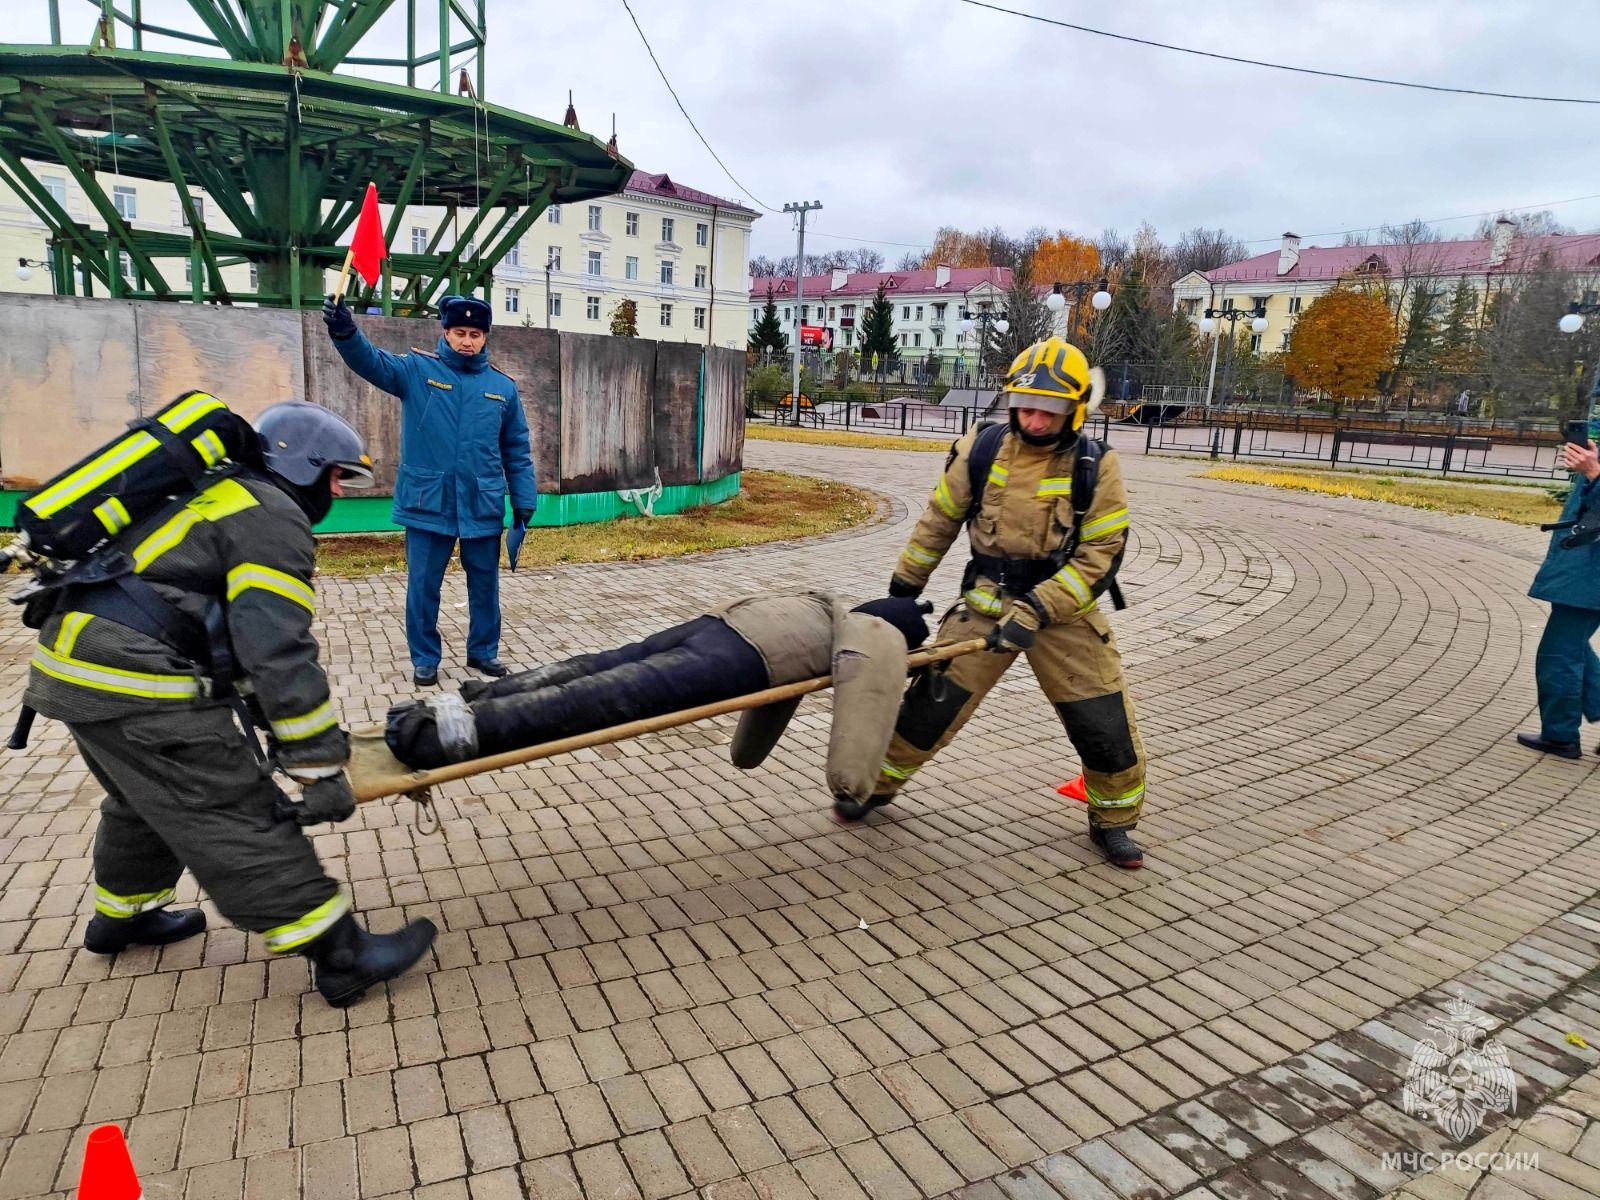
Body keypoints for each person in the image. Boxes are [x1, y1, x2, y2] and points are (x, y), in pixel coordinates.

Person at [23, 402, 437, 1006]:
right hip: (132, 679)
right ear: (306, 467)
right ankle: (341, 954)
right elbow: (278, 651)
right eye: (336, 476)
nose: (339, 489)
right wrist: (319, 766)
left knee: (144, 795)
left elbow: (237, 650)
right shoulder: (271, 517)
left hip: (74, 666)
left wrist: (286, 737)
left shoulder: (217, 493)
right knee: (231, 804)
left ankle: (125, 914)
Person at [872, 336, 1149, 868]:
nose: (1036, 419)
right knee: (927, 710)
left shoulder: (1097, 463)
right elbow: (939, 521)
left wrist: (1038, 611)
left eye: (1049, 410)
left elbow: (1101, 554)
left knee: (1104, 725)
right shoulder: (982, 447)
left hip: (1065, 614)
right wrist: (902, 592)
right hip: (986, 604)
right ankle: (874, 787)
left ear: (1075, 410)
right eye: (1026, 405)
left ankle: (1112, 821)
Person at [385, 592, 931, 768]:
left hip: (719, 623)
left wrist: (748, 753)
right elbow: (867, 700)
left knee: (596, 667)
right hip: (735, 662)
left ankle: (473, 698)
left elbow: (776, 701)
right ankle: (438, 737)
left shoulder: (822, 602)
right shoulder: (876, 633)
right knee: (601, 698)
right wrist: (851, 783)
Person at [323, 292, 536, 687]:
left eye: (475, 333)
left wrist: (524, 500)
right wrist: (344, 330)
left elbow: (517, 450)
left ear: (485, 337)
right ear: (446, 331)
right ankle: (425, 657)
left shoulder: (502, 388)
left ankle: (483, 652)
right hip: (428, 501)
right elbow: (371, 362)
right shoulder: (417, 370)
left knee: (485, 585)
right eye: (460, 332)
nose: (467, 341)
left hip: (481, 502)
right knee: (423, 586)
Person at [1517, 433, 1600, 759]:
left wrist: (1594, 474)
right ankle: (1560, 732)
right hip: (1584, 565)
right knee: (1572, 646)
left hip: (1591, 572)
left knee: (1558, 654)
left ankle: (1560, 735)